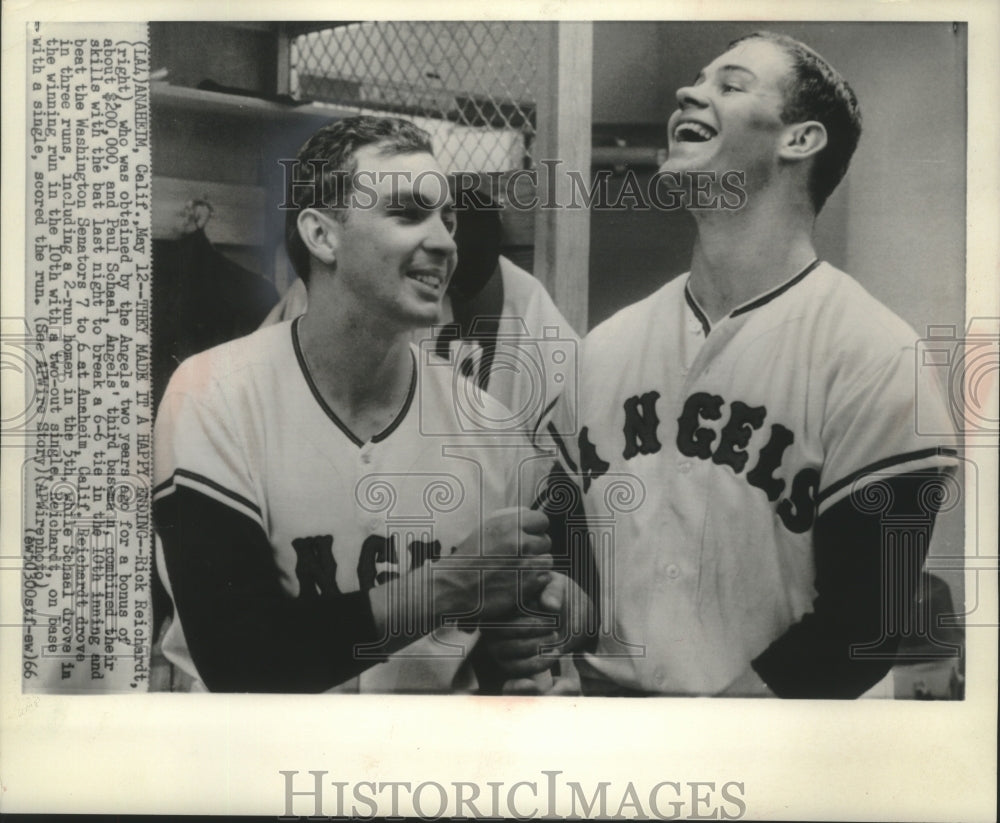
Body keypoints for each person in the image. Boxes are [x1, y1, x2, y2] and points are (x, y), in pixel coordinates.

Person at [533, 32, 958, 698]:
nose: (688, 93)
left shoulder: (877, 355)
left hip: (788, 760)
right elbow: (573, 578)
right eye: (696, 80)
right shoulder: (605, 349)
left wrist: (696, 750)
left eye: (730, 85)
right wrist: (549, 616)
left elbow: (861, 630)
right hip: (617, 746)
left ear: (801, 139)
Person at [152, 116, 586, 693]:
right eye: (408, 213)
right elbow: (242, 658)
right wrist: (453, 585)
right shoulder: (213, 392)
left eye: (447, 219)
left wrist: (555, 617)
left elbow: (580, 593)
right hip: (254, 768)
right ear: (322, 235)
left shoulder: (491, 424)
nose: (446, 242)